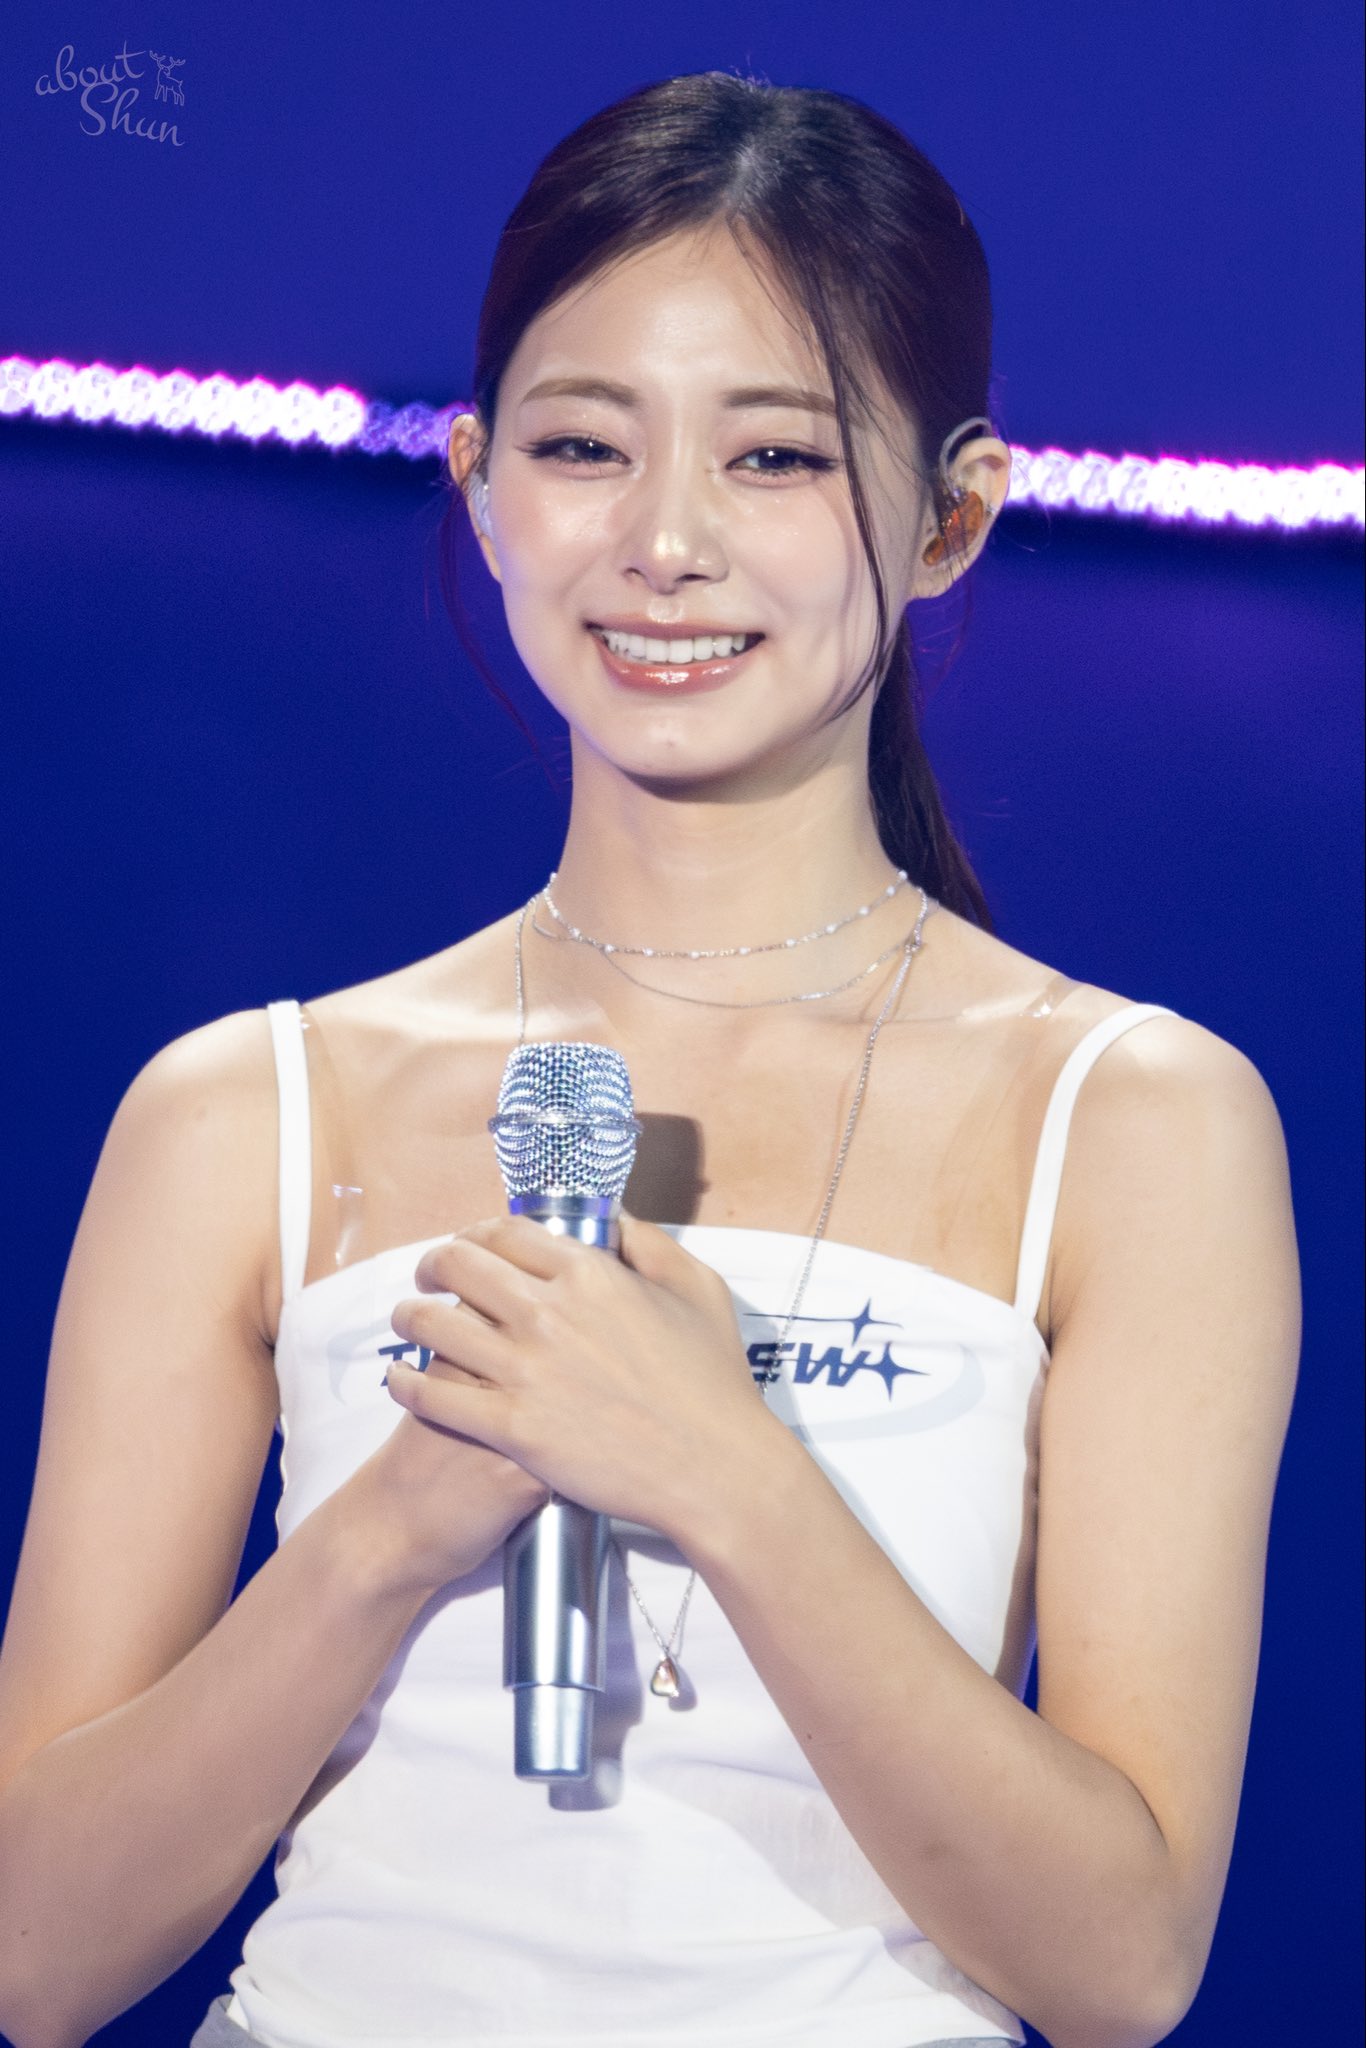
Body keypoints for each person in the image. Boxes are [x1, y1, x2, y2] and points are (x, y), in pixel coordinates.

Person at [0, 71, 1299, 2048]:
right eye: (582, 445)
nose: (665, 541)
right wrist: (389, 1532)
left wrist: (717, 1469)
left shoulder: (1129, 1118)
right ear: (478, 486)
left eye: (774, 456)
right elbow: (31, 1955)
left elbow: (1120, 1967)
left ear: (950, 513)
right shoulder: (239, 1111)